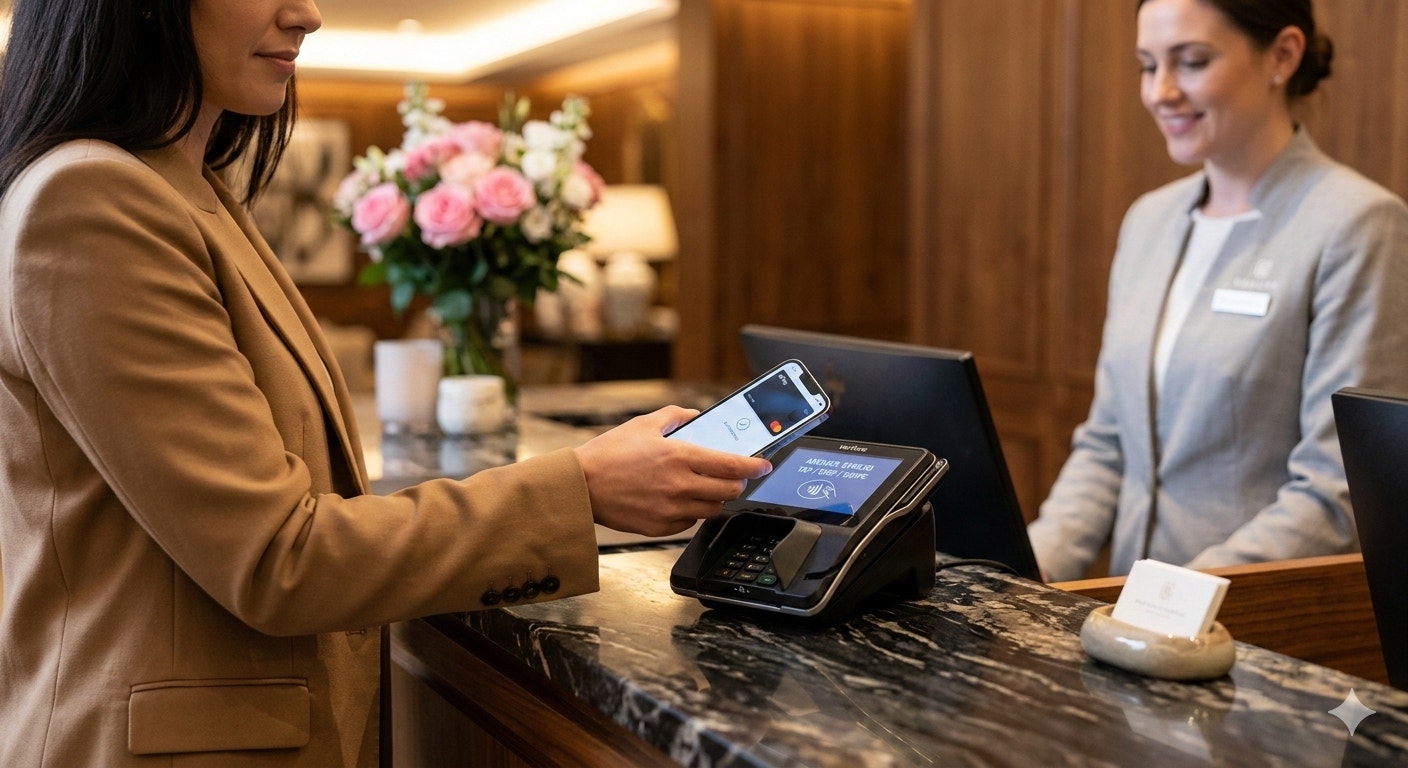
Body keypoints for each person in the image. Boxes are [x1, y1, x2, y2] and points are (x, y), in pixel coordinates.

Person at [0, 1, 770, 765]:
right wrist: (584, 491)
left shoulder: (184, 190)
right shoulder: (93, 201)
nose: (306, 14)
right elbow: (279, 558)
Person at [1028, 0, 1408, 582]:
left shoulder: (1357, 225)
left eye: (1192, 62)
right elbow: (1108, 446)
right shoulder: (1148, 221)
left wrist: (1166, 600)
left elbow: (1337, 491)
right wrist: (1013, 575)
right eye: (1147, 66)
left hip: (1254, 635)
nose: (1160, 92)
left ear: (1283, 55)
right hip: (1132, 628)